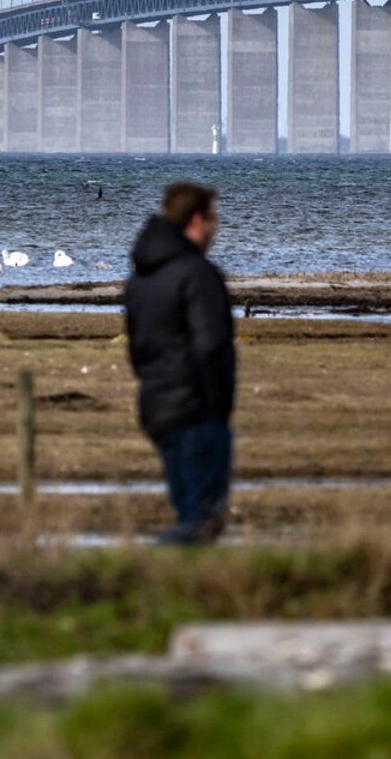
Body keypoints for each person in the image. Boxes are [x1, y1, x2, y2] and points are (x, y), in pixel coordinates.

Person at [124, 182, 235, 545]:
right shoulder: (197, 274)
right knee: (202, 520)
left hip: (157, 406)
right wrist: (218, 406)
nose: (216, 229)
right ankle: (152, 568)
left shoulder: (141, 277)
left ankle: (183, 590)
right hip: (195, 410)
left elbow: (138, 349)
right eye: (213, 220)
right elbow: (211, 347)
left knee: (188, 509)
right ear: (196, 220)